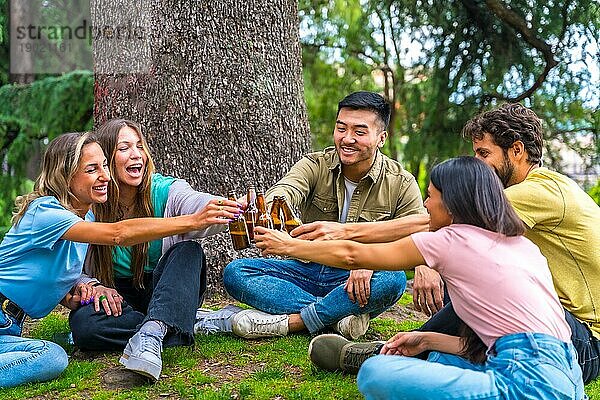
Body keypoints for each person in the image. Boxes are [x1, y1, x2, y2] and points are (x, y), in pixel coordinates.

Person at [255, 156, 585, 400]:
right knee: (438, 357)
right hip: (568, 377)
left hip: (527, 385)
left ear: (453, 203)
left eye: (431, 196)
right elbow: (508, 347)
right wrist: (426, 339)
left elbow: (353, 255)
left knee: (374, 373)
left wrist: (289, 245)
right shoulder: (523, 246)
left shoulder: (452, 239)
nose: (426, 204)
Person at [0, 132, 239, 387]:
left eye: (104, 165)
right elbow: (118, 234)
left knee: (51, 356)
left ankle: (165, 327)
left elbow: (40, 274)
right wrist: (193, 221)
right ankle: (183, 324)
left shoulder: (84, 219)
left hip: (9, 327)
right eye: (92, 169)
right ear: (65, 175)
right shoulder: (45, 212)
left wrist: (84, 288)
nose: (105, 175)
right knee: (51, 357)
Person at [197, 91, 426, 340]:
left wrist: (371, 262)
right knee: (236, 272)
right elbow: (287, 190)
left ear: (381, 138)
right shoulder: (316, 164)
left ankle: (296, 321)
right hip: (305, 269)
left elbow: (421, 233)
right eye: (341, 128)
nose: (347, 139)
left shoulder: (401, 182)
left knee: (393, 279)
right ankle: (336, 317)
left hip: (354, 278)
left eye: (359, 132)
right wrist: (263, 204)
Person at [67, 119, 240, 382]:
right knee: (83, 328)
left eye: (139, 146)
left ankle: (152, 333)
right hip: (118, 298)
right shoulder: (91, 203)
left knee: (188, 251)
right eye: (124, 148)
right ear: (106, 159)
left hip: (166, 289)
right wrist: (90, 283)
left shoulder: (165, 190)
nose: (136, 155)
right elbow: (69, 262)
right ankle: (179, 325)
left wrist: (223, 207)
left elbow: (195, 202)